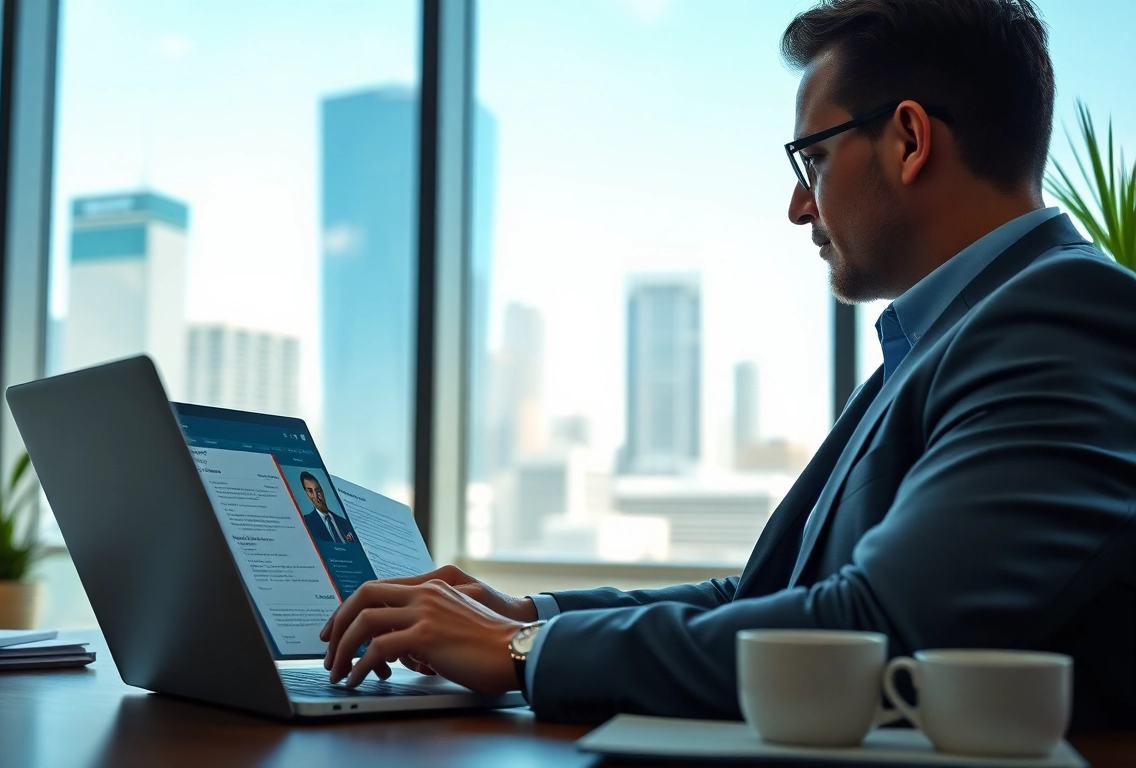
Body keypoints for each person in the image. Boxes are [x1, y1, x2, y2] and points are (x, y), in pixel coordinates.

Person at [318, 0, 1136, 729]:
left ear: (910, 140)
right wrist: (528, 610)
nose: (798, 206)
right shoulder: (950, 333)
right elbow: (770, 594)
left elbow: (868, 630)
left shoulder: (1061, 316)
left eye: (812, 160)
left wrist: (526, 649)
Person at [299, 471, 355, 544]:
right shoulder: (307, 522)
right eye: (310, 491)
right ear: (306, 493)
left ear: (322, 490)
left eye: (318, 490)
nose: (316, 496)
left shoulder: (344, 522)